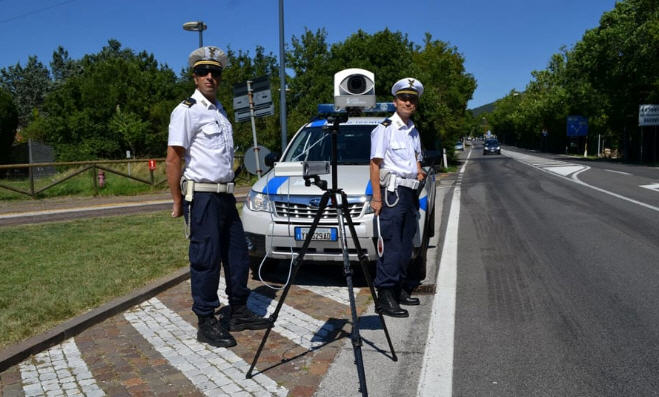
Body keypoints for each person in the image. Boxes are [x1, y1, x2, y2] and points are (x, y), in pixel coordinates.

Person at [166, 46, 271, 348]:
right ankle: (206, 320)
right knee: (206, 260)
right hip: (202, 198)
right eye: (203, 72)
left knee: (237, 255)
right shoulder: (186, 110)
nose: (210, 76)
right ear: (194, 76)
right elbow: (174, 158)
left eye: (215, 72)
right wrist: (176, 201)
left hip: (225, 196)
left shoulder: (220, 111)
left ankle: (238, 309)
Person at [369, 78, 426, 317]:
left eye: (412, 99)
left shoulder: (413, 131)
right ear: (395, 102)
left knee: (405, 247)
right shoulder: (384, 128)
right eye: (404, 98)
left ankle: (399, 288)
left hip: (410, 192)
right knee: (391, 247)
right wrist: (377, 198)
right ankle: (385, 297)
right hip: (392, 194)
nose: (408, 102)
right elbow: (374, 164)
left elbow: (416, 159)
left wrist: (420, 171)